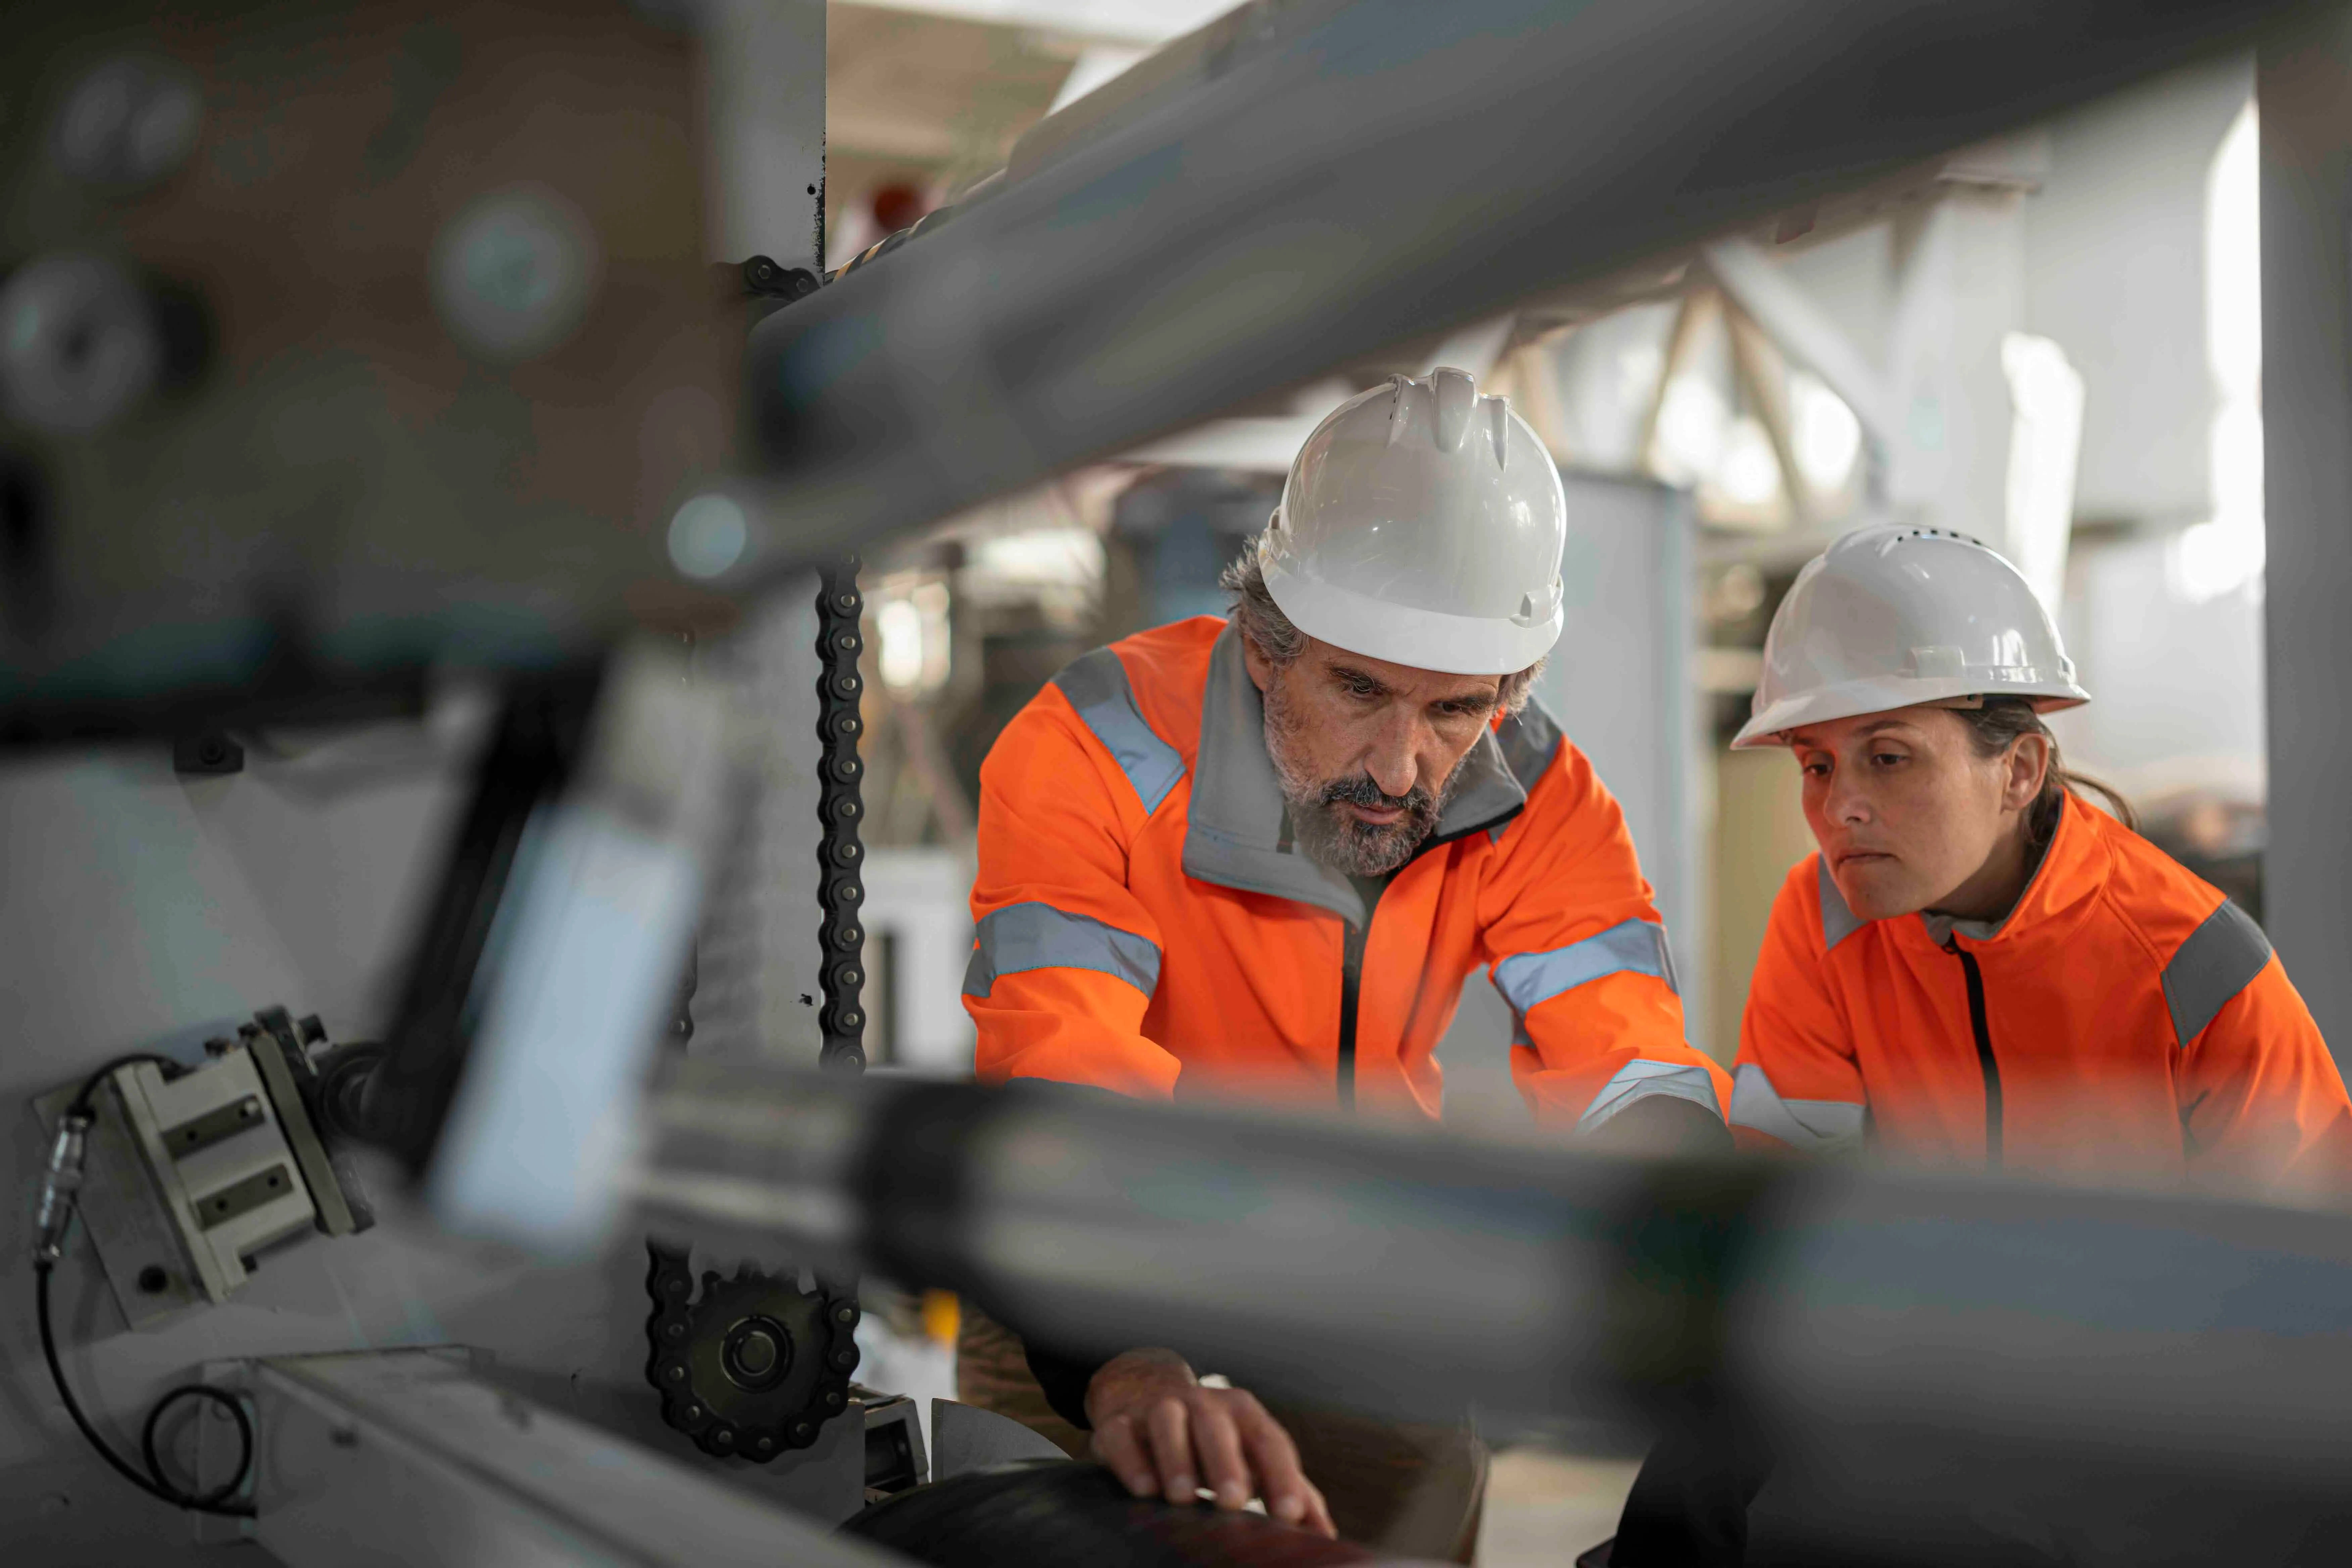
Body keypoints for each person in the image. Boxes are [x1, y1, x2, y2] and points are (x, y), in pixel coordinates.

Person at [958, 368, 1733, 1561]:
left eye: (1455, 710)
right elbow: (1063, 1069)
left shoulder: (1542, 799)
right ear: (1267, 646)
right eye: (1359, 689)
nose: (1399, 766)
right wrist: (1123, 1364)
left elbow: (1625, 1056)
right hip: (1093, 1263)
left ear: (1514, 691)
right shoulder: (1091, 750)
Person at [1601, 523, 2352, 1568]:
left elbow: (2297, 1315)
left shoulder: (2194, 968)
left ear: (2021, 769)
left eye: (1890, 757)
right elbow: (1784, 1208)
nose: (1838, 807)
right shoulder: (1821, 921)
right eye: (1816, 765)